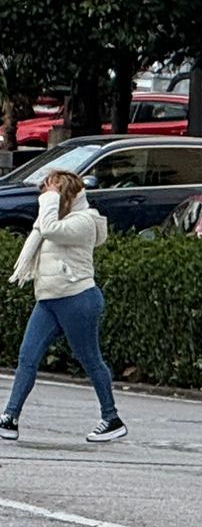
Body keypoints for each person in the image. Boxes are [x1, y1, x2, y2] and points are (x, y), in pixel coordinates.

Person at [0, 171, 125, 443]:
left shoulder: (84, 221)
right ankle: (10, 417)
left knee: (90, 359)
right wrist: (51, 201)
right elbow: (43, 228)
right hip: (49, 299)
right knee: (27, 357)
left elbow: (48, 230)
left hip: (78, 298)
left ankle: (111, 418)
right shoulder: (54, 217)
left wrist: (50, 201)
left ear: (64, 196)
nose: (44, 196)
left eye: (52, 192)